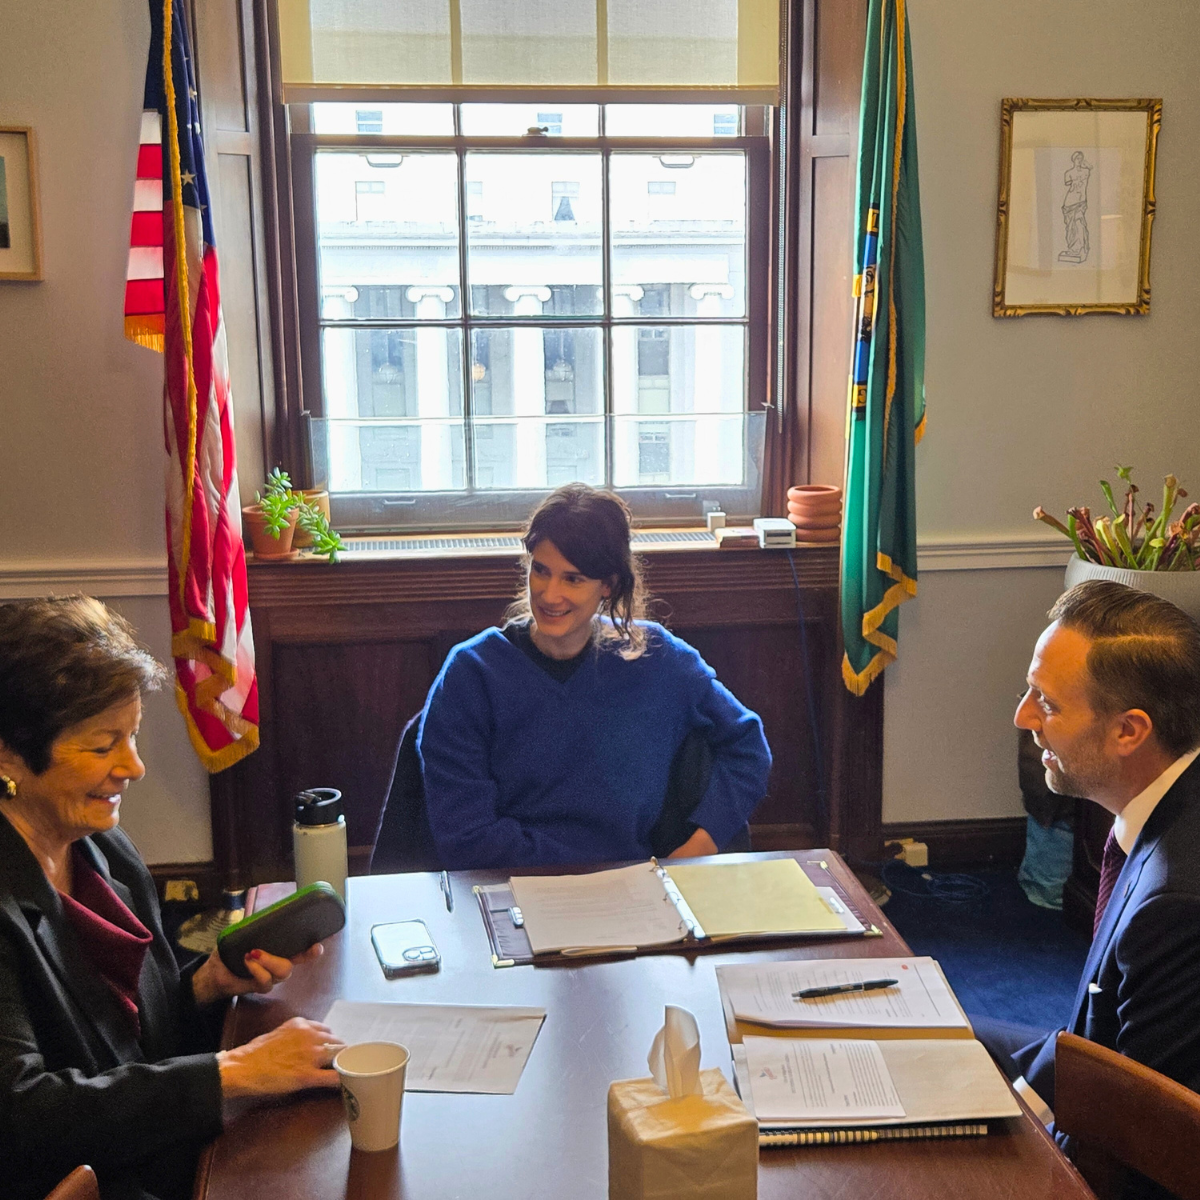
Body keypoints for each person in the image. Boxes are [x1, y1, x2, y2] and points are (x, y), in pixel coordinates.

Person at [0, 597, 345, 1200]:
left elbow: (130, 1041)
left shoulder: (105, 851)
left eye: (131, 736)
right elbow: (21, 1116)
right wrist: (233, 1072)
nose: (132, 767)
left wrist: (211, 981)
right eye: (103, 746)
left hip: (153, 1154)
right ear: (8, 754)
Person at [417, 484, 772, 869]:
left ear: (609, 585)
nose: (550, 595)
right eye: (541, 570)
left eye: (573, 579)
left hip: (637, 888)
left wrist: (697, 849)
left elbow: (747, 746)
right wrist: (585, 875)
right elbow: (466, 837)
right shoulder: (472, 672)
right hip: (514, 885)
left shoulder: (659, 658)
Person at [977, 580, 1200, 1133]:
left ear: (1129, 731)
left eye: (1047, 703)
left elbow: (1142, 1133)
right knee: (921, 1029)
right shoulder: (1163, 801)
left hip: (1116, 1133)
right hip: (1087, 1056)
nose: (1023, 717)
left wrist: (1018, 1122)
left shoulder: (1176, 903)